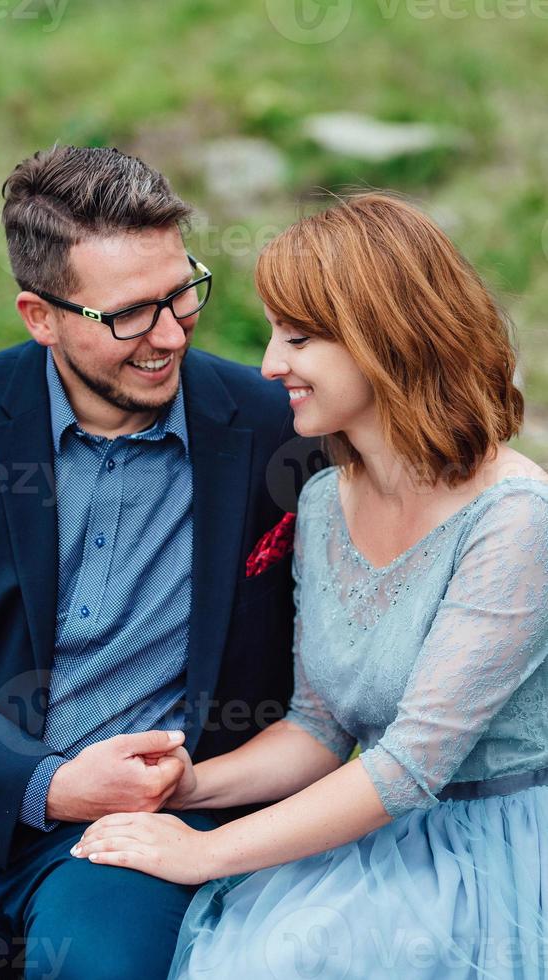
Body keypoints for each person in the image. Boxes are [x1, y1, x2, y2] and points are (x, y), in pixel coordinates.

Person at [72, 193, 548, 979]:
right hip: (386, 829)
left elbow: (409, 765)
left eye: (298, 338)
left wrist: (205, 853)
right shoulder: (326, 498)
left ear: (388, 341)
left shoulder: (515, 520)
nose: (268, 364)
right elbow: (319, 727)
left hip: (496, 847)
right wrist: (188, 784)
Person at [0, 145, 302, 979]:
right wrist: (44, 783)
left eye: (181, 293)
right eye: (128, 315)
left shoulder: (275, 427)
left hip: (133, 841)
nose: (168, 334)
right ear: (40, 317)